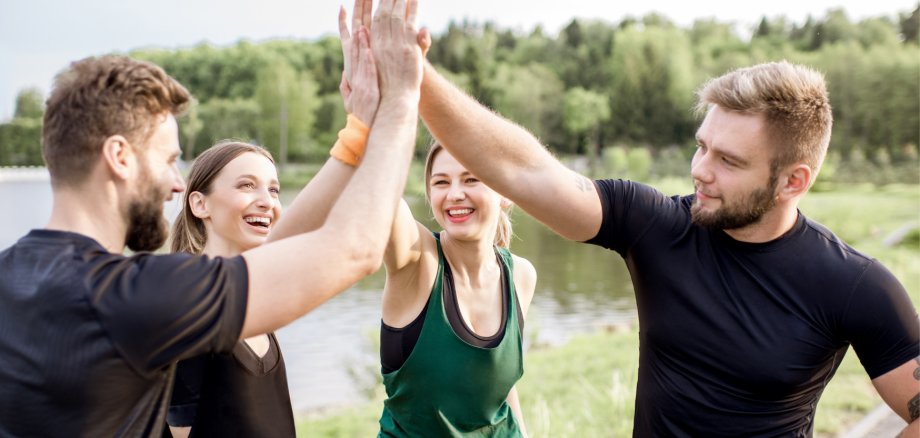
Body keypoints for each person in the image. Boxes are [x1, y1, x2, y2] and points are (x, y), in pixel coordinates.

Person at [412, 57, 920, 436]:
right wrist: (415, 78)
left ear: (792, 181)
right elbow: (525, 170)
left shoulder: (855, 285)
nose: (700, 169)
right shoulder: (655, 226)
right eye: (701, 146)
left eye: (729, 160)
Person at [0, 0, 426, 434]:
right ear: (119, 157)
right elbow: (354, 251)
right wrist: (402, 102)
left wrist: (358, 133)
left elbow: (273, 255)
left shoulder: (10, 277)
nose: (176, 184)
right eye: (168, 161)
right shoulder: (131, 296)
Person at [376, 142, 536, 437]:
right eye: (441, 182)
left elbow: (500, 386)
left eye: (471, 179)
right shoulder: (416, 261)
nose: (454, 194)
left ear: (505, 193)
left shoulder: (520, 276)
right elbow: (378, 191)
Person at [165, 142, 294, 437]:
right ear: (200, 204)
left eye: (273, 190)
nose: (267, 202)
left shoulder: (252, 299)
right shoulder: (188, 304)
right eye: (247, 185)